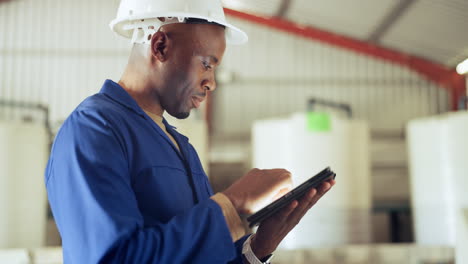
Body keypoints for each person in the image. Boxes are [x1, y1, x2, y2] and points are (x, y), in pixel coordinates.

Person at [44, 0, 335, 263]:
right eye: (206, 64)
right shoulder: (94, 129)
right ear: (160, 46)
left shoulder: (180, 146)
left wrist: (257, 248)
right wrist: (232, 203)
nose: (212, 83)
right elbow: (112, 258)